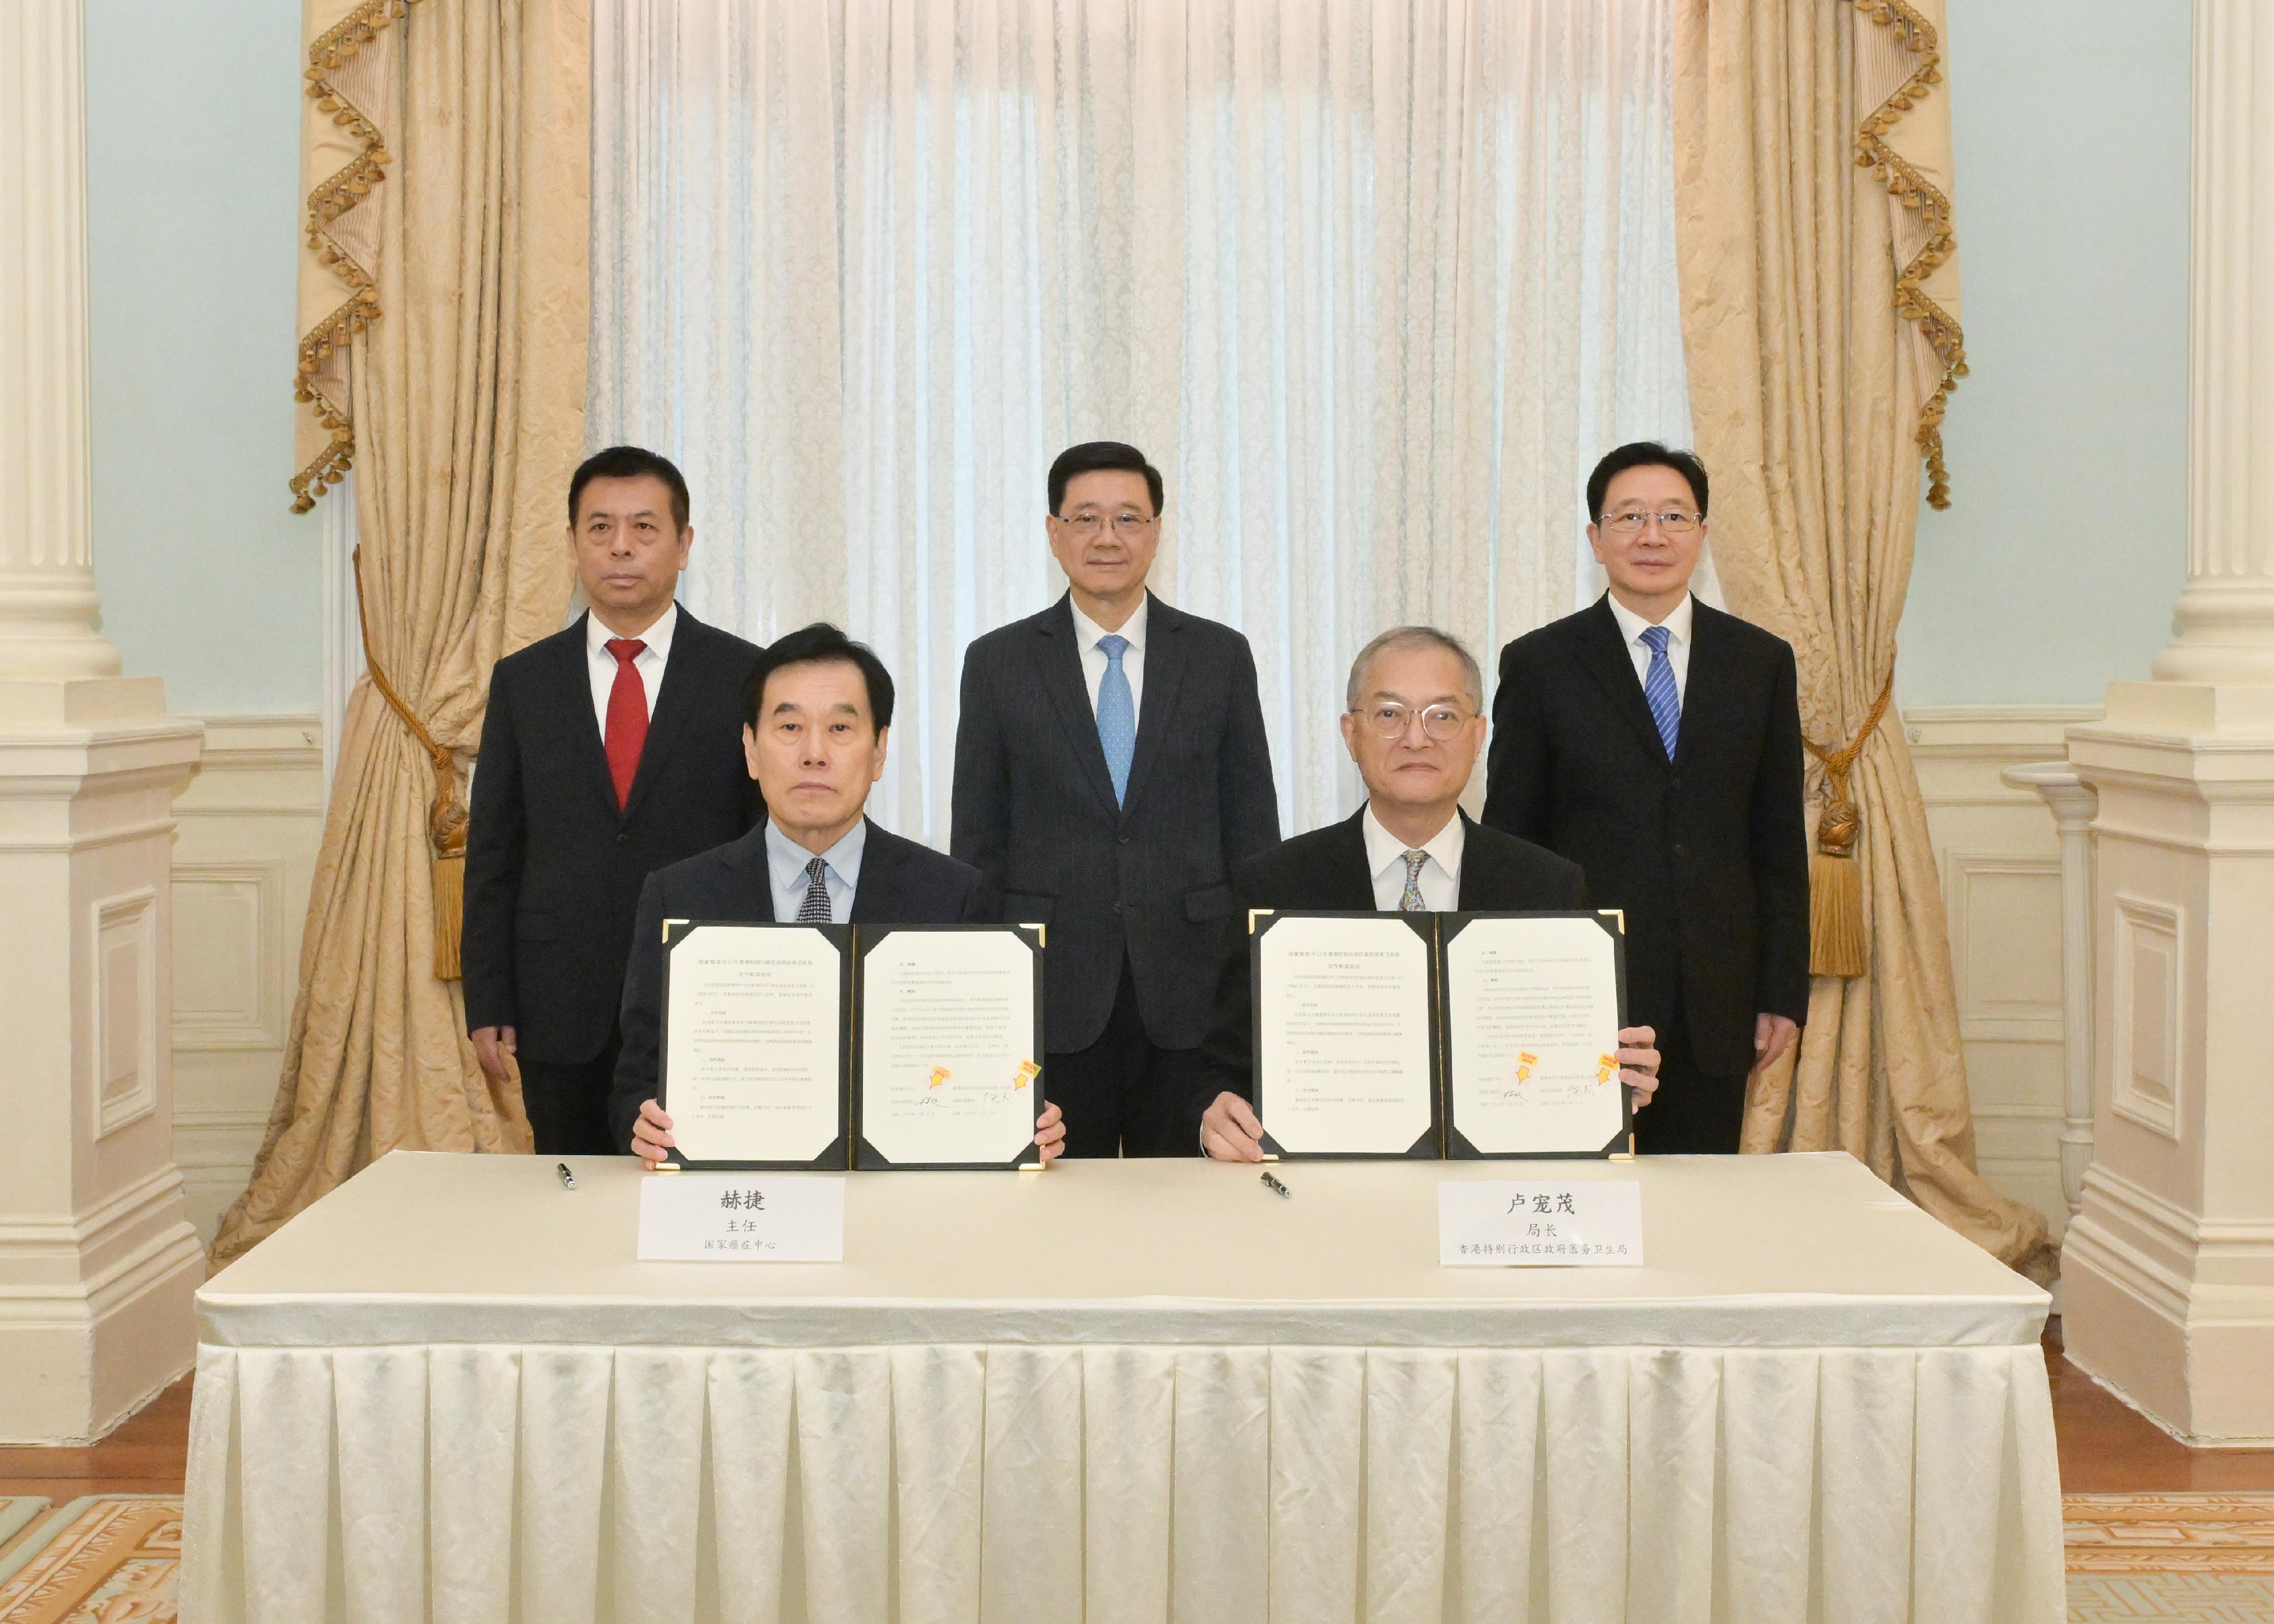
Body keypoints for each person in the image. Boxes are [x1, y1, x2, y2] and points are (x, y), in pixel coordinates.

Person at [1196, 627, 1661, 1161]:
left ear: (1479, 733)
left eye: (1443, 715)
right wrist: (1216, 1118)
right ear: (1351, 733)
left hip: (1496, 1199)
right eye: (1390, 714)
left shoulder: (1547, 885)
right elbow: (1224, 1066)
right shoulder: (1276, 884)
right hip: (1326, 1192)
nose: (1417, 738)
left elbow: (1571, 1060)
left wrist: (1614, 1081)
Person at [617, 623, 1067, 1166]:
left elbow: (981, 1073)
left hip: (902, 1204)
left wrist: (1020, 1122)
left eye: (839, 728)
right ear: (750, 749)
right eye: (788, 726)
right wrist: (639, 1122)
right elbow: (637, 1078)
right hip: (738, 1199)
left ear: (878, 752)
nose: (814, 753)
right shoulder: (680, 895)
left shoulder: (952, 895)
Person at [952, 441, 1281, 1157]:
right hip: (1052, 992)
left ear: (1157, 531)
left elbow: (1253, 830)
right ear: (1053, 532)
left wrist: (1257, 987)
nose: (1107, 537)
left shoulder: (1219, 656)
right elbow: (977, 843)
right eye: (1087, 518)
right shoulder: (997, 662)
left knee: (1189, 1213)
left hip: (1192, 991)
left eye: (1128, 518)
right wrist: (984, 998)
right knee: (1063, 1223)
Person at [1481, 442, 1808, 1155]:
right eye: (1628, 517)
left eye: (1672, 516)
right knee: (1581, 1197)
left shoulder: (1760, 662)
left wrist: (1781, 990)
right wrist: (1517, 991)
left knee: (1698, 1208)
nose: (1651, 535)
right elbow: (1511, 842)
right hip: (1584, 992)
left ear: (1702, 533)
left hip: (1715, 998)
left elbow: (1778, 840)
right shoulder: (1539, 664)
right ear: (1596, 538)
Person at [462, 446, 764, 1154]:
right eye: (599, 528)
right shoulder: (523, 682)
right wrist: (490, 997)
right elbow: (495, 852)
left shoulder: (744, 675)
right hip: (557, 1002)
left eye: (644, 527)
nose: (620, 546)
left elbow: (765, 842)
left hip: (705, 996)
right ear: (572, 544)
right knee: (569, 1196)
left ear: (684, 544)